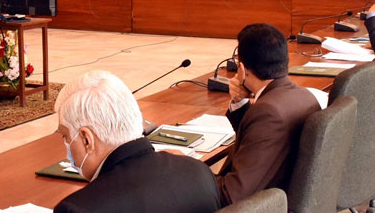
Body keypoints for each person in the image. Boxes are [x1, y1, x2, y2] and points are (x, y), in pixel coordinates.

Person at [53, 70, 221, 213]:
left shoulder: (77, 208)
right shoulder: (198, 171)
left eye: (65, 136)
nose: (66, 143)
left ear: (86, 139)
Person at [216, 23, 321, 206]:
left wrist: (190, 169)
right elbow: (259, 138)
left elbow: (231, 195)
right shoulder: (304, 96)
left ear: (242, 69)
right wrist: (239, 101)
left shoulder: (267, 113)